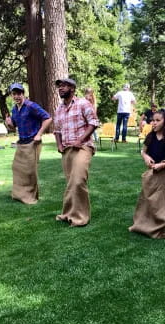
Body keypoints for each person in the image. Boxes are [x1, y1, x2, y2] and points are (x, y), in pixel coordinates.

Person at [53, 78, 99, 227]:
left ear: (72, 88)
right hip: (66, 149)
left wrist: (80, 140)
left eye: (64, 86)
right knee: (70, 182)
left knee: (78, 180)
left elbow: (93, 122)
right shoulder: (59, 109)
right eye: (59, 86)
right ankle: (67, 214)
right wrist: (59, 144)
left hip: (83, 147)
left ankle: (80, 218)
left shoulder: (83, 104)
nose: (60, 88)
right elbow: (57, 130)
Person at [129, 109, 165, 239]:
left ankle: (159, 229)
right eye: (153, 120)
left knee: (160, 202)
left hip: (163, 174)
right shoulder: (150, 136)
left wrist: (163, 165)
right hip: (150, 173)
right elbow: (143, 152)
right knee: (146, 199)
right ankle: (141, 224)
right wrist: (146, 157)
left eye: (158, 120)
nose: (154, 123)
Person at [5, 83, 52, 205]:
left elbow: (48, 118)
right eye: (14, 94)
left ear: (23, 94)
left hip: (33, 142)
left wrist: (39, 134)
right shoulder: (15, 109)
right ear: (12, 95)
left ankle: (30, 197)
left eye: (19, 93)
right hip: (21, 143)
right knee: (17, 168)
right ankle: (19, 194)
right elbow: (13, 126)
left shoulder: (31, 106)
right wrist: (8, 123)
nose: (17, 96)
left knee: (30, 171)